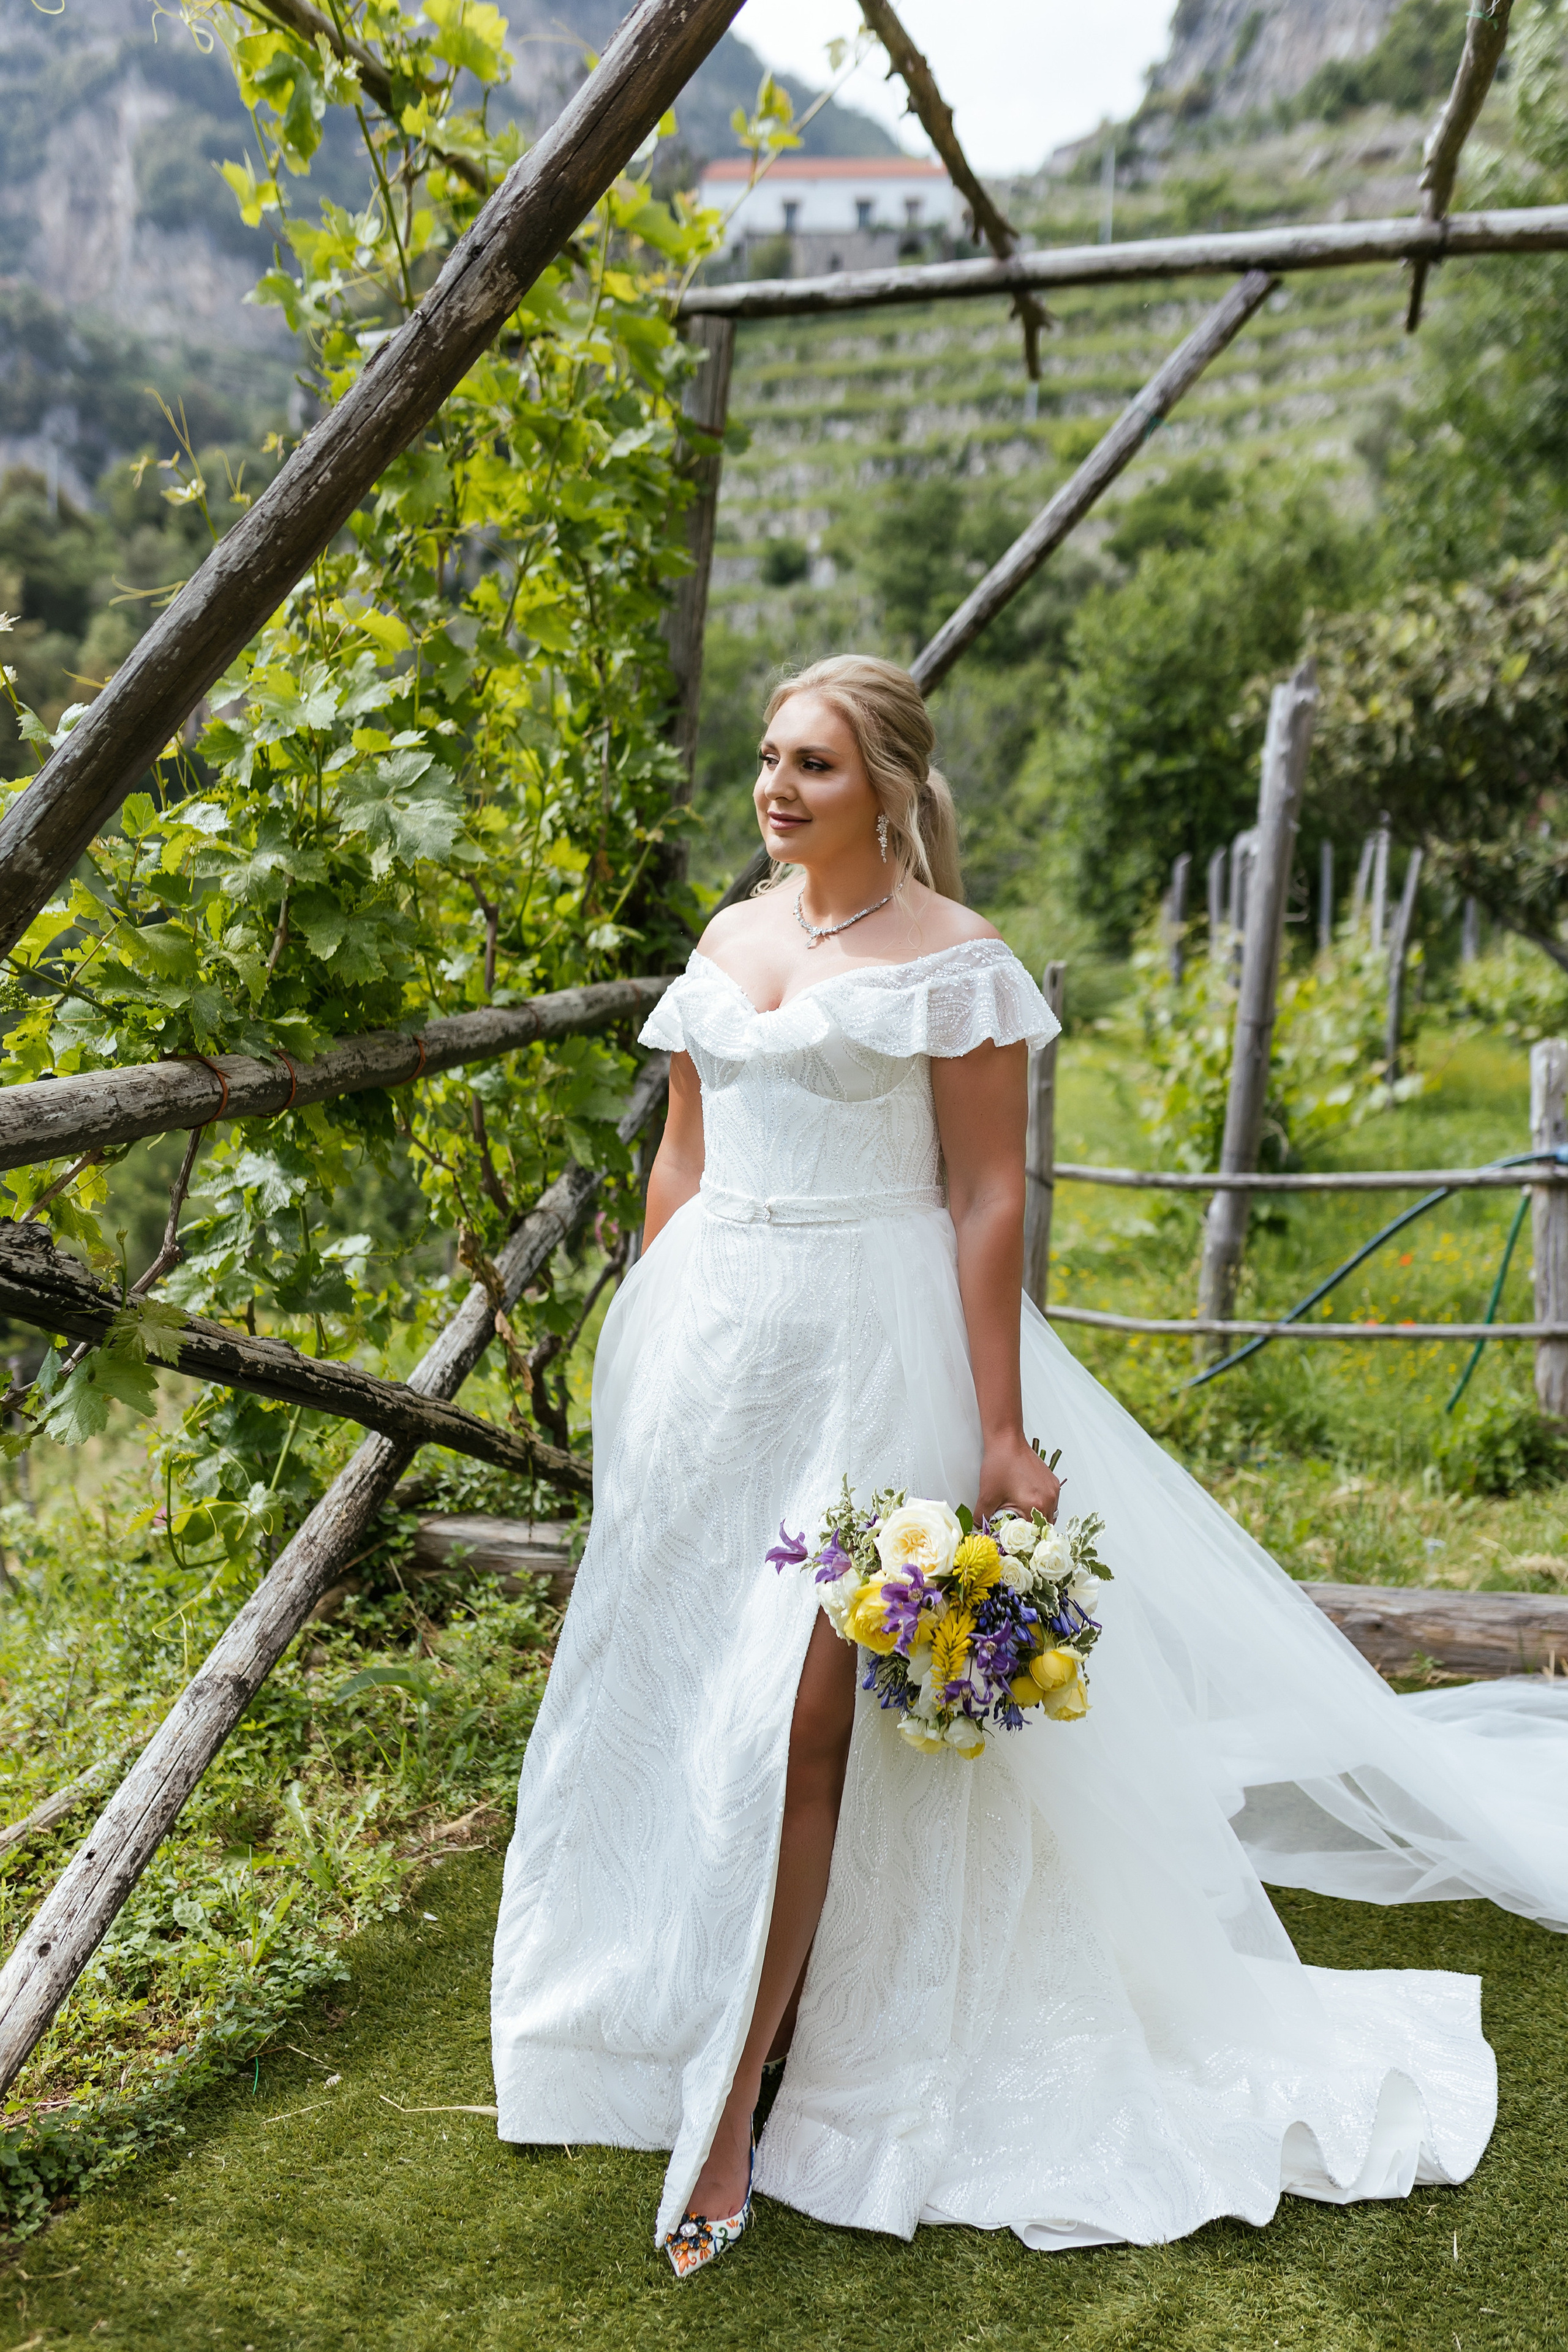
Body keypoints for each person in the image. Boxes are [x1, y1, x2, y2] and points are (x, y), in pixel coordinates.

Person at [492, 655, 1568, 2275]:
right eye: (771, 758)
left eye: (814, 765)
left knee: (803, 1717)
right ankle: (663, 2013)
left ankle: (734, 2108)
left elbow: (990, 1196)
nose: (777, 788)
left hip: (871, 1353)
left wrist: (998, 1430)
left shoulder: (958, 961)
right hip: (714, 1371)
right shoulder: (726, 941)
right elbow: (682, 1163)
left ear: (889, 786)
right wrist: (646, 1365)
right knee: (682, 1699)